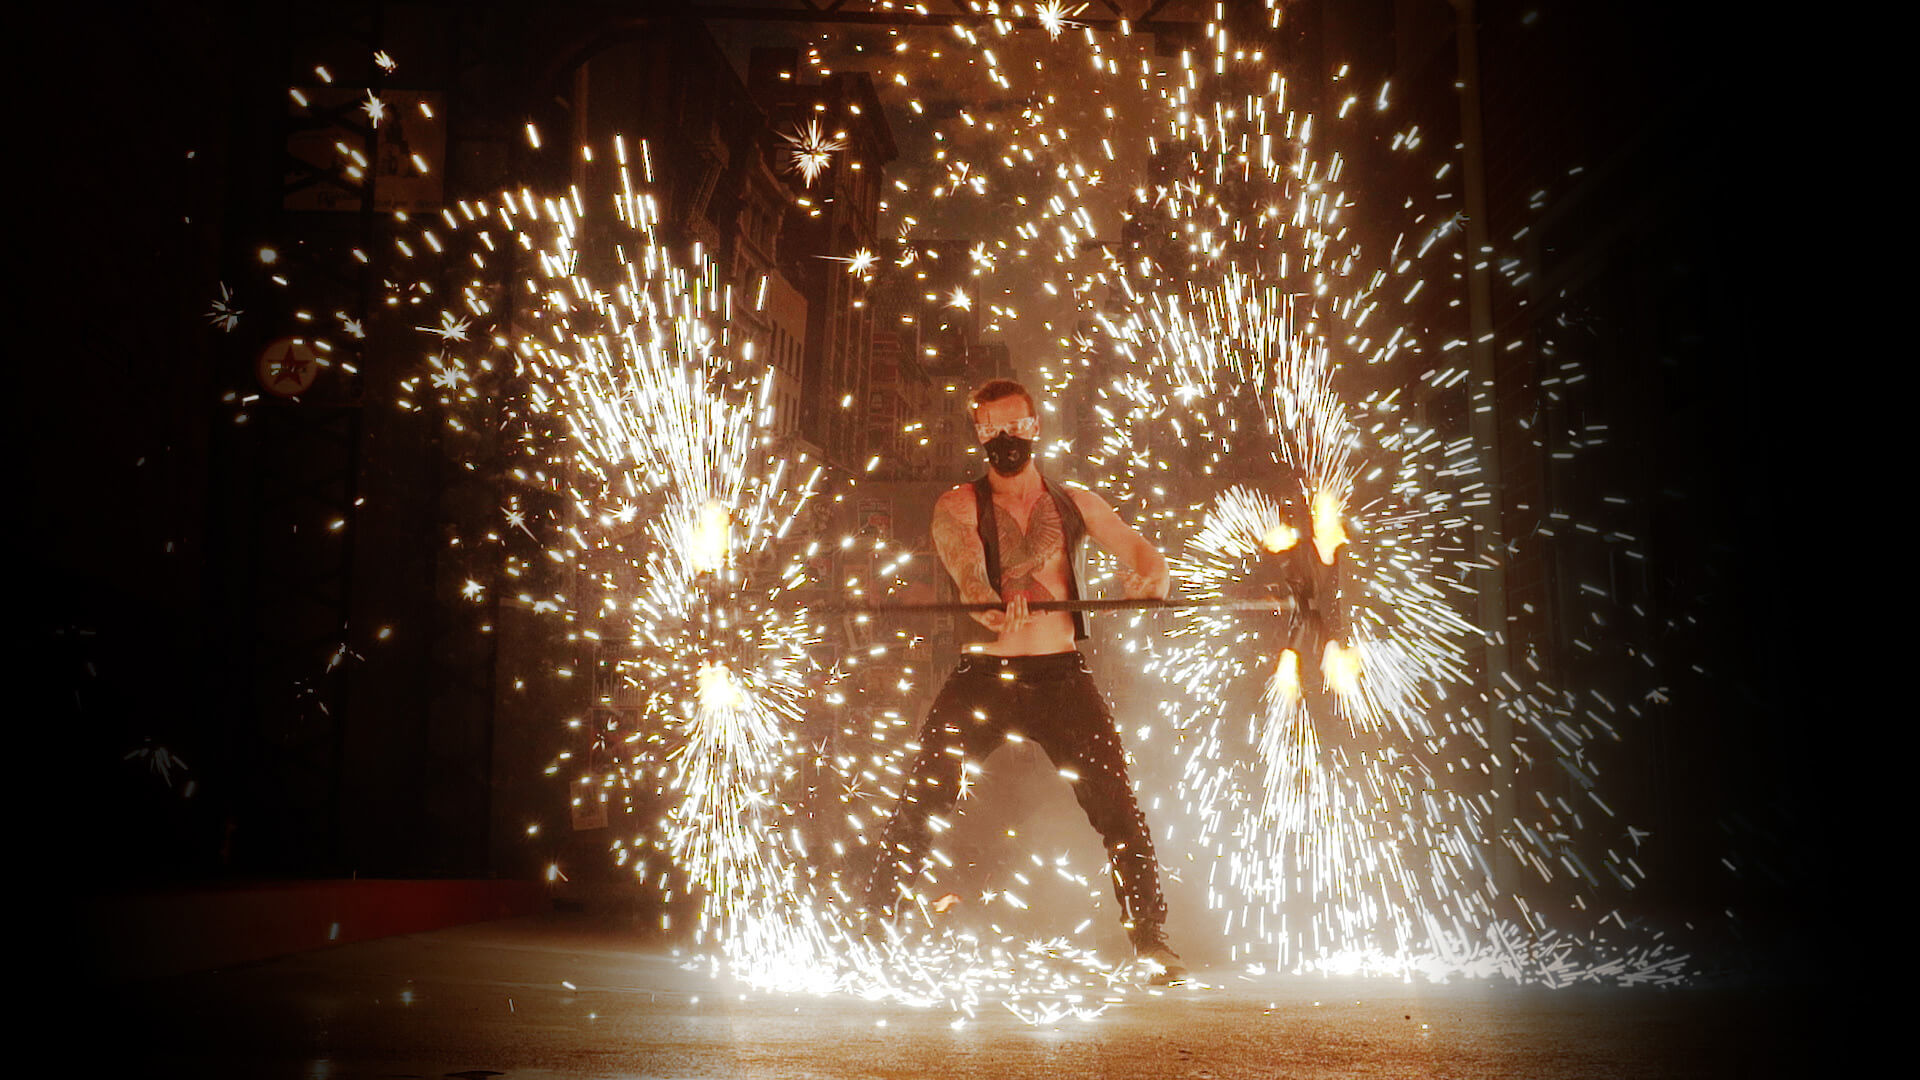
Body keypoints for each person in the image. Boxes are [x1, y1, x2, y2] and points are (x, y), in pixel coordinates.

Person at [864, 377, 1188, 983]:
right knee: (922, 801)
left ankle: (1151, 942)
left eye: (1013, 425)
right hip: (985, 676)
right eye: (990, 428)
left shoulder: (1077, 503)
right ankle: (874, 930)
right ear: (978, 433)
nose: (1003, 438)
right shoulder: (958, 503)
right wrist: (986, 604)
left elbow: (1141, 551)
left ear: (1035, 427)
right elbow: (969, 573)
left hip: (1061, 678)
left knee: (1118, 811)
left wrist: (1153, 580)